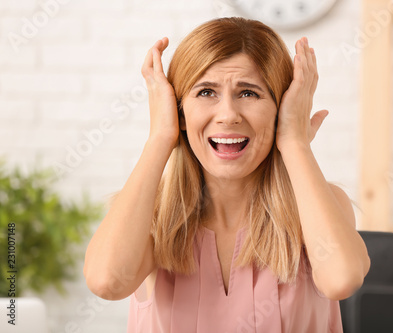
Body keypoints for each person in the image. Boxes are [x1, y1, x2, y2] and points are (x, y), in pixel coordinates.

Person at [83, 17, 370, 332]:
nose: (228, 115)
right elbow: (106, 282)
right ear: (179, 110)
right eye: (206, 92)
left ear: (281, 109)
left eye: (249, 93)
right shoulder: (150, 214)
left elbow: (342, 279)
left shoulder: (323, 207)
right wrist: (161, 137)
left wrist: (294, 142)